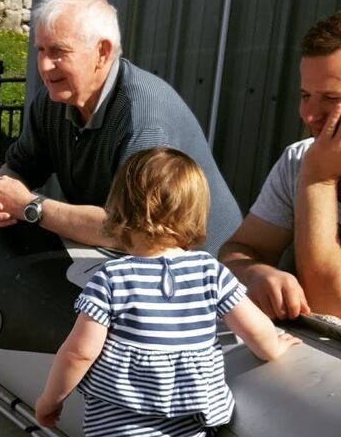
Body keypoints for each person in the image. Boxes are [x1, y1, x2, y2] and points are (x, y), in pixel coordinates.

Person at [34, 148, 301, 436]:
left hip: (119, 429)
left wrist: (51, 400)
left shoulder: (112, 278)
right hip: (189, 427)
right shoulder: (209, 272)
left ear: (120, 210)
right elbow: (256, 330)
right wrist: (274, 346)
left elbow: (80, 353)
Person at [0, 0, 241, 256]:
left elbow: (134, 232)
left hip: (202, 274)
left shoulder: (143, 117)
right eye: (41, 50)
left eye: (58, 52)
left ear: (102, 52)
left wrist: (30, 207)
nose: (44, 66)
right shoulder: (52, 101)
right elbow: (20, 167)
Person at [219, 11, 341, 320]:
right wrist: (256, 273)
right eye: (305, 95)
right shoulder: (298, 159)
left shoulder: (311, 167)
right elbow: (237, 251)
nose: (310, 115)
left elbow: (330, 303)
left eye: (330, 98)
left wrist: (317, 180)